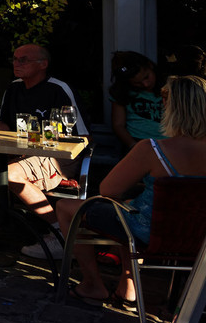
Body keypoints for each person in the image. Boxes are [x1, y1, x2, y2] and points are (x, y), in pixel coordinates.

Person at [57, 74, 206, 304]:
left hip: (152, 231)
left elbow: (108, 190)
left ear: (171, 108)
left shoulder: (153, 148)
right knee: (129, 211)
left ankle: (92, 284)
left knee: (69, 206)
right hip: (198, 236)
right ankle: (128, 288)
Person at [0, 44, 85, 249]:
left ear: (43, 64)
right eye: (15, 59)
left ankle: (61, 232)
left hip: (59, 157)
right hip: (19, 151)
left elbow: (83, 134)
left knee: (11, 173)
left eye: (23, 60)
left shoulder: (59, 89)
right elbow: (5, 125)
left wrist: (47, 141)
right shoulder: (14, 87)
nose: (16, 64)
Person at [110, 51, 165, 151]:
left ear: (150, 66)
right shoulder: (123, 93)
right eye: (137, 83)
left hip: (170, 142)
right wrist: (133, 145)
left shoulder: (170, 87)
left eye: (146, 77)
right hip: (138, 142)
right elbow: (118, 125)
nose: (145, 84)